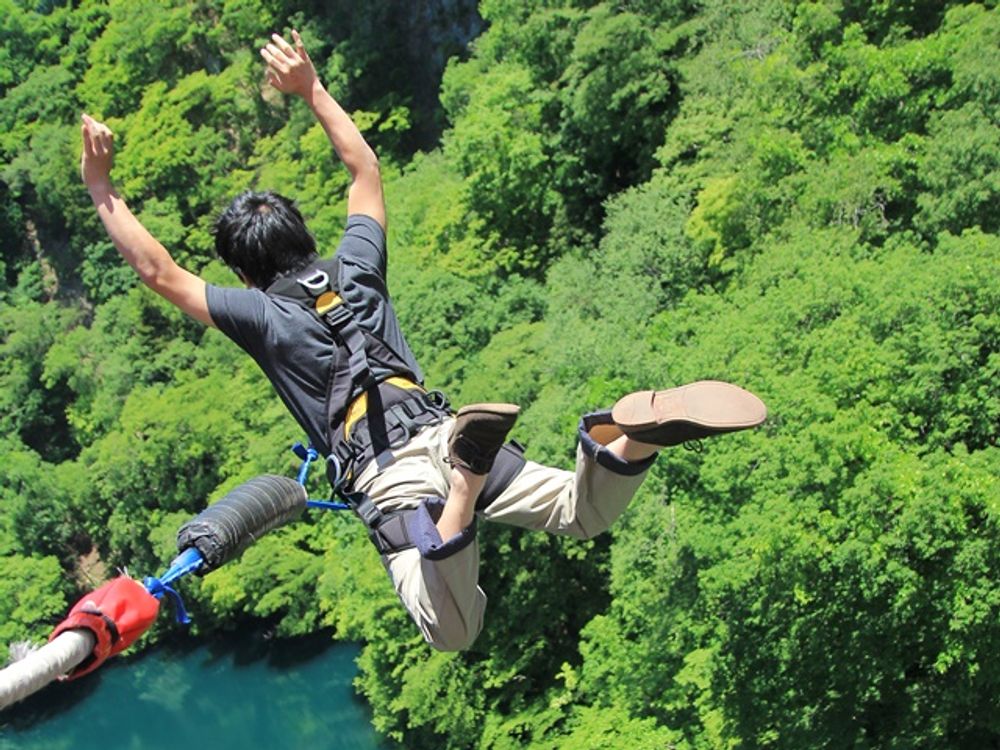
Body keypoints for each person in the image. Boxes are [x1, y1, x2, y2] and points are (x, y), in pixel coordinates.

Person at [79, 30, 766, 651]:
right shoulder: (354, 267)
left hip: (393, 474)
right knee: (580, 513)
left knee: (451, 631)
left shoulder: (260, 314)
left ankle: (463, 490)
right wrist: (311, 88)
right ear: (305, 236)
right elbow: (365, 173)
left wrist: (100, 183)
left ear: (244, 273)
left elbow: (160, 273)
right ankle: (635, 433)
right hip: (440, 425)